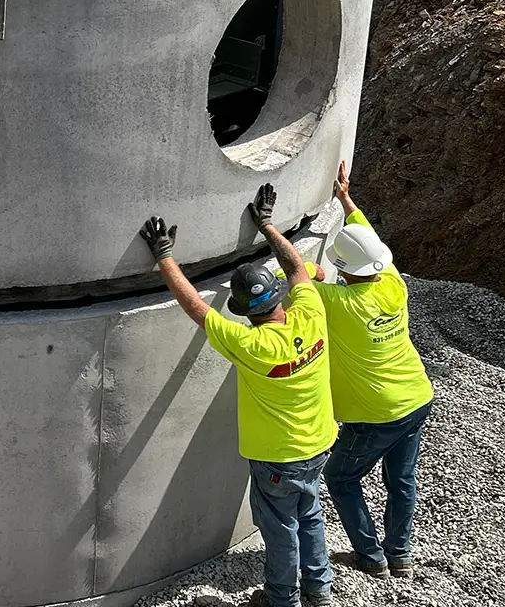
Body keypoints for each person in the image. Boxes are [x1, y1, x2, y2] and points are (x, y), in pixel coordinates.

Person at [140, 185, 336, 607]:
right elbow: (297, 266)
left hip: (279, 458)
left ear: (245, 311)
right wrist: (267, 224)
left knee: (281, 528)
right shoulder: (311, 313)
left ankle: (283, 600)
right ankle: (319, 590)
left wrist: (163, 256)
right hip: (320, 442)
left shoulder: (252, 347)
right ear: (279, 296)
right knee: (311, 514)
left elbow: (196, 307)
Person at [311, 162, 434, 580]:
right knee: (401, 480)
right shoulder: (392, 282)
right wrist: (346, 201)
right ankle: (399, 554)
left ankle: (370, 556)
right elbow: (370, 244)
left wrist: (292, 252)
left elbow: (296, 279)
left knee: (341, 477)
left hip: (375, 413)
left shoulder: (338, 303)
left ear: (343, 270)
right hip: (416, 397)